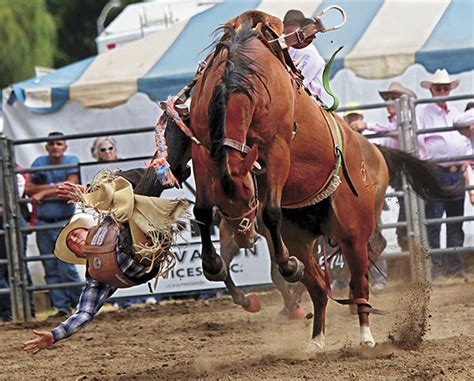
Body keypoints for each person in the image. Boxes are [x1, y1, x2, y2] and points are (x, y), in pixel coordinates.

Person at [23, 172, 188, 354]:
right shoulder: (95, 275)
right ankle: (160, 174)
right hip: (139, 253)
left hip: (142, 231)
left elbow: (114, 199)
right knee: (132, 197)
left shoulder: (108, 222)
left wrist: (88, 192)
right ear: (78, 254)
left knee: (126, 190)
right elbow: (85, 313)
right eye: (71, 243)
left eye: (76, 234)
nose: (75, 239)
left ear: (89, 230)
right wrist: (55, 335)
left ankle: (164, 171)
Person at [346, 82, 418, 253]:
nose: (390, 101)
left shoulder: (406, 116)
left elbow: (395, 130)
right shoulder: (391, 123)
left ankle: (409, 244)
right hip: (398, 173)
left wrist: (368, 126)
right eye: (388, 98)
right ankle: (408, 247)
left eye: (395, 98)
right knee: (404, 208)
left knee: (410, 210)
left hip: (405, 171)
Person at [89, 136, 157, 308]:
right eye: (103, 150)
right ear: (97, 153)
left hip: (130, 215)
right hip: (119, 219)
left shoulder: (128, 175)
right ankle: (127, 300)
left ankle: (148, 295)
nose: (107, 152)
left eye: (110, 149)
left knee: (142, 251)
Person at [417, 69, 472, 279]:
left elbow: (465, 139)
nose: (442, 91)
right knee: (434, 220)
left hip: (456, 171)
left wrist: (465, 158)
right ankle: (436, 269)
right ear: (432, 90)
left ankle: (455, 268)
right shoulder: (422, 113)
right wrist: (426, 167)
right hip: (436, 172)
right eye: (438, 88)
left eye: (445, 88)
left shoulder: (456, 112)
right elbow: (418, 142)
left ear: (449, 89)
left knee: (455, 221)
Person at [25, 132, 82, 317]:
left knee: (67, 266)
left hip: (64, 222)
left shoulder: (72, 159)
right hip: (44, 223)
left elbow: (70, 188)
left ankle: (81, 306)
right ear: (47, 147)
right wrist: (55, 188)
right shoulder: (40, 162)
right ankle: (62, 308)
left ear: (64, 146)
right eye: (52, 144)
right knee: (50, 267)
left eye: (59, 143)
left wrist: (41, 194)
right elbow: (27, 188)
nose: (55, 147)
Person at [0, 169, 36, 321]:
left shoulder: (15, 172)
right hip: (11, 220)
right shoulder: (14, 171)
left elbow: (12, 201)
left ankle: (24, 311)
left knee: (18, 267)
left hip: (12, 220)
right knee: (7, 268)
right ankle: (10, 312)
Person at [283, 9, 326, 97]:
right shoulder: (284, 47)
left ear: (302, 28)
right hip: (292, 97)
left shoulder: (309, 51)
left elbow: (296, 83)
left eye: (293, 25)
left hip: (310, 103)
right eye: (286, 25)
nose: (288, 28)